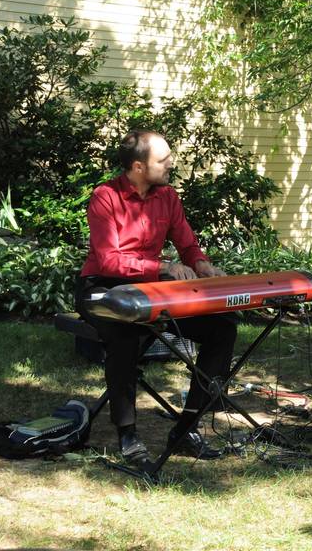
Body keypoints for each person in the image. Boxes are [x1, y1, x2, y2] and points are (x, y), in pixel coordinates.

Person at [75, 130, 236, 465]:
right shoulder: (105, 196)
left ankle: (186, 428)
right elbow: (108, 260)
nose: (170, 164)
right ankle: (127, 434)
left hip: (150, 290)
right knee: (125, 334)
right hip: (102, 287)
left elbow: (187, 243)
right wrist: (163, 268)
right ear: (137, 167)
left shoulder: (168, 196)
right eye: (162, 160)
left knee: (222, 330)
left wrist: (202, 264)